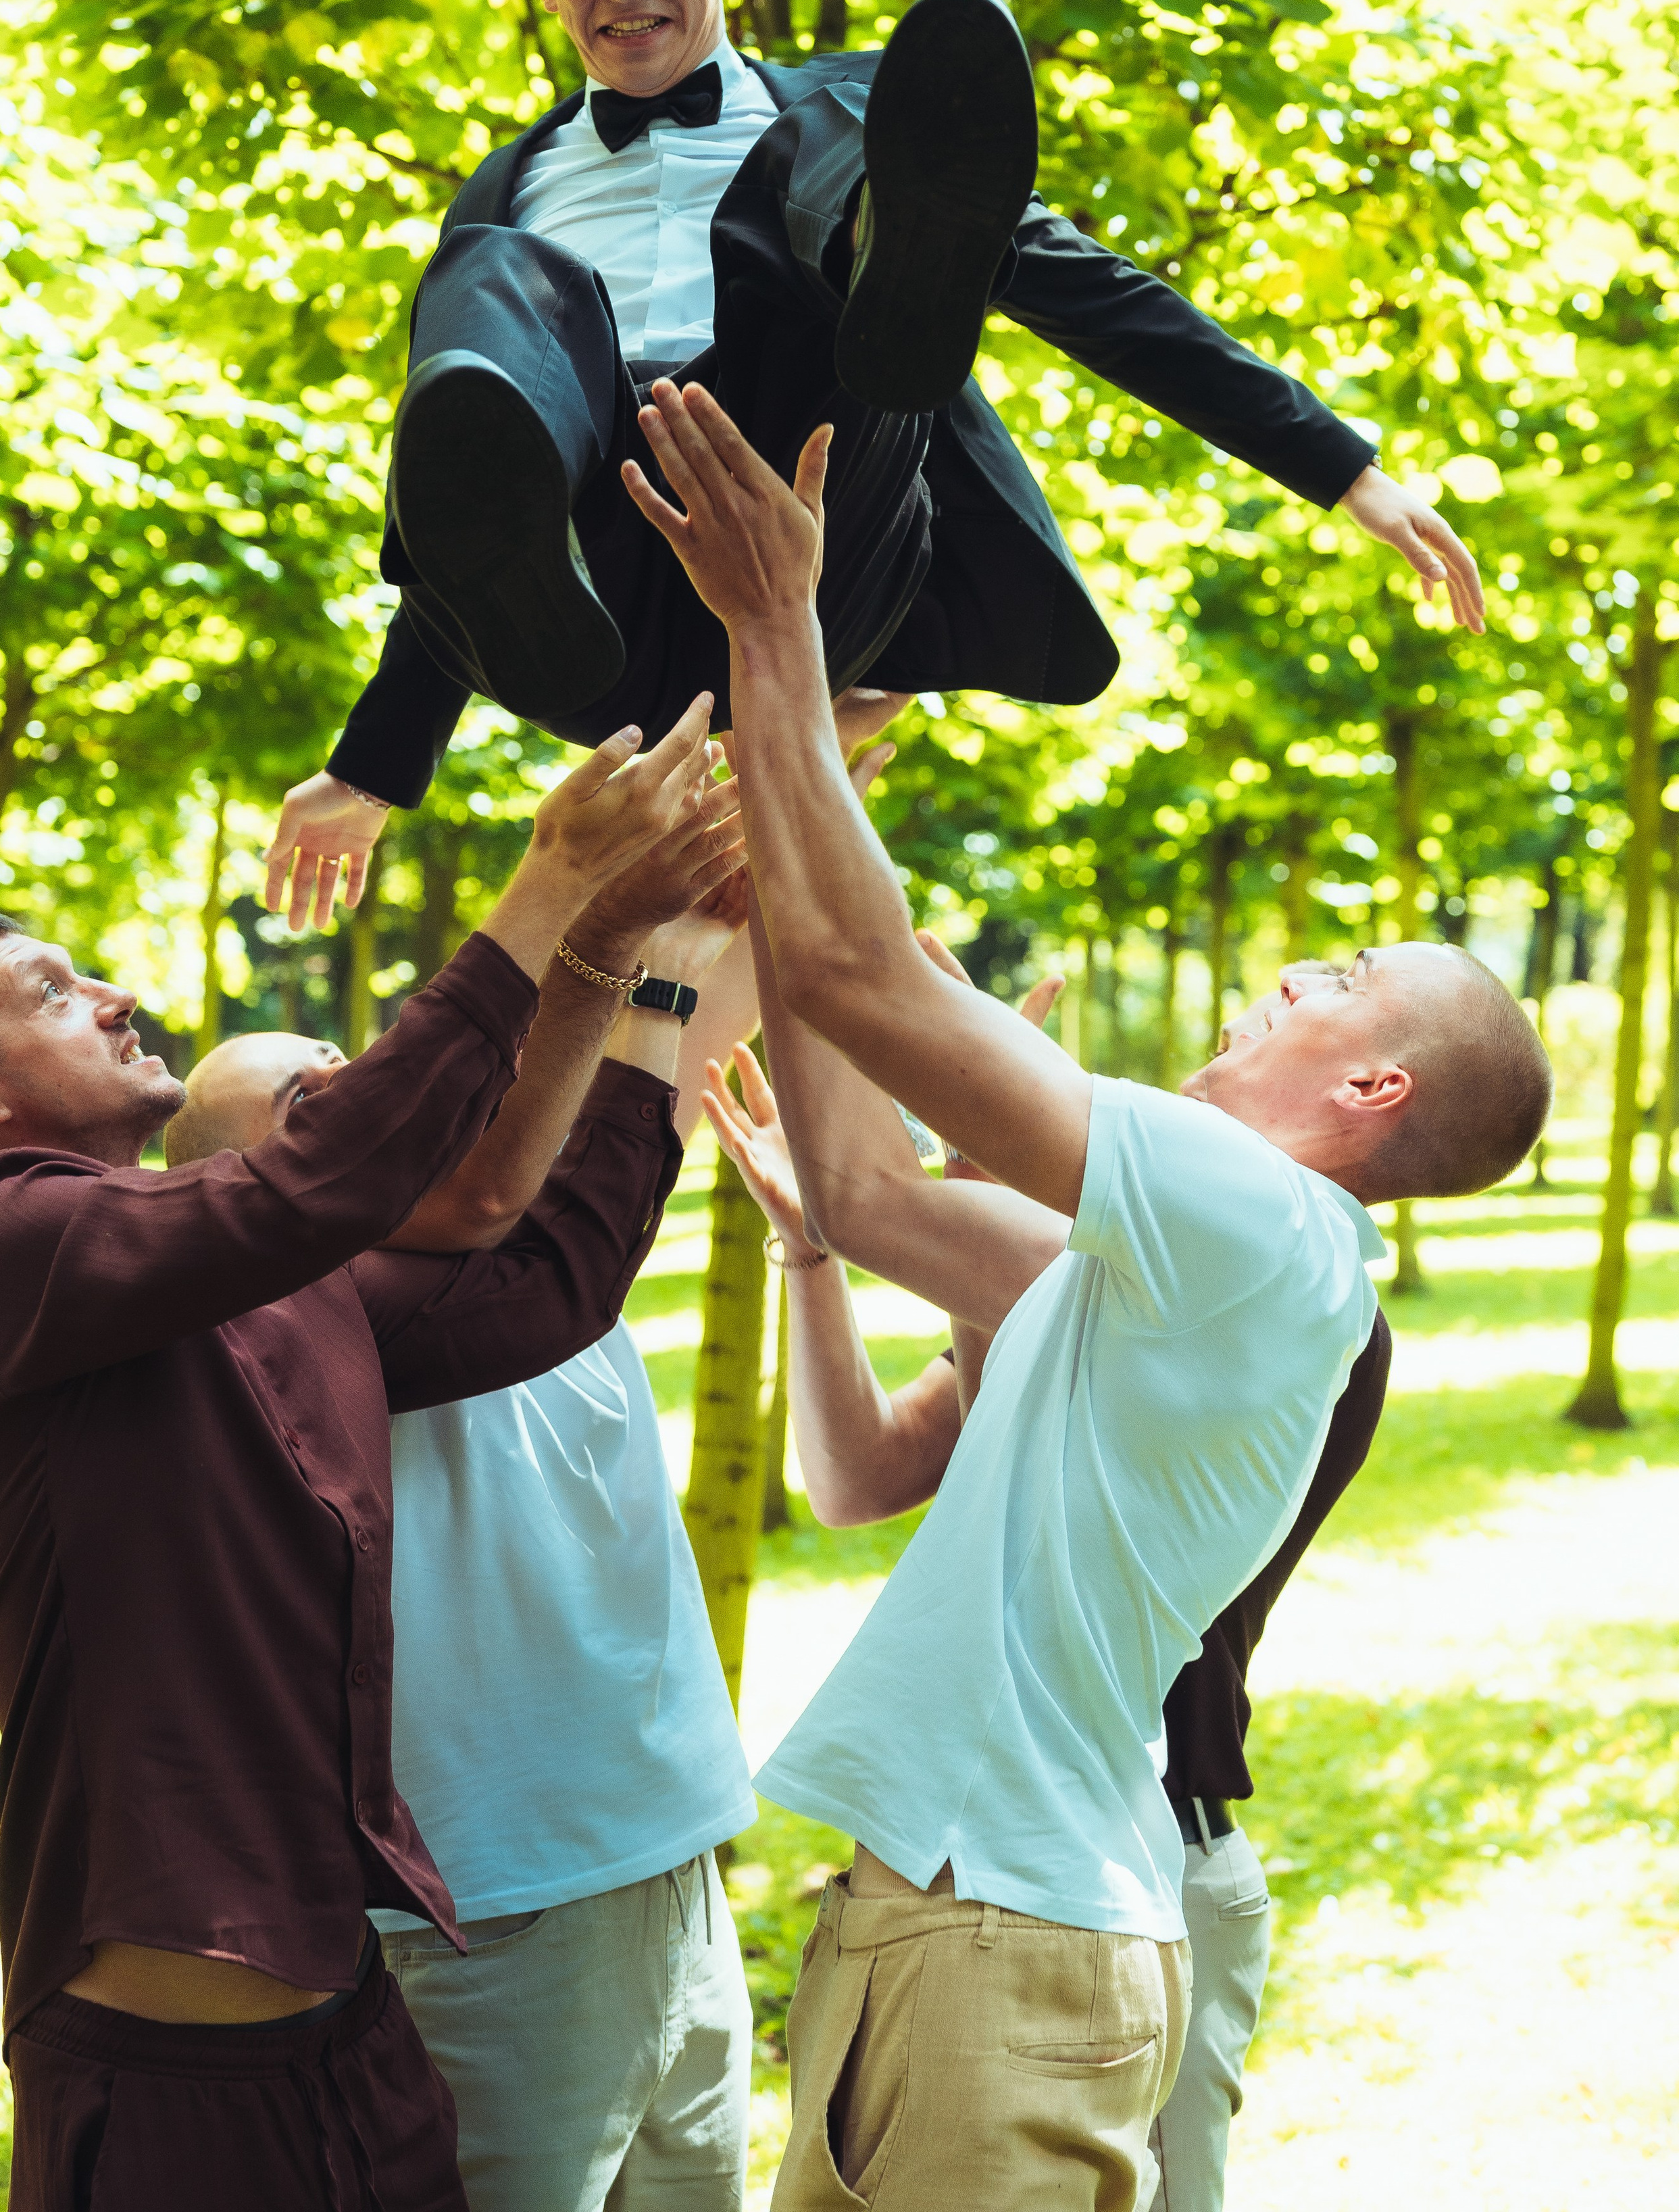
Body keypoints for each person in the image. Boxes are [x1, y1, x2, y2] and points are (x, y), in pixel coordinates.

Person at [617, 381, 1551, 2210]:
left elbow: (876, 984)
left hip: (1006, 1939)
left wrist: (781, 645)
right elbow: (878, 1179)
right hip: (962, 1914)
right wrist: (783, 858)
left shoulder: (1262, 1219)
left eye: (1338, 976)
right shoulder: (1198, 1268)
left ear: (1378, 1093)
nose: (1285, 972)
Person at [264, 0, 1484, 934]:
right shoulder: (509, 189)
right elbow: (474, 491)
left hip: (816, 517)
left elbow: (1106, 299)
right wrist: (375, 764)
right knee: (485, 285)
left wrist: (1346, 471)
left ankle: (896, 280)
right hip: (601, 616)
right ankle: (567, 585)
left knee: (839, 172)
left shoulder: (844, 127)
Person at [0, 699, 714, 2212]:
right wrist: (548, 878)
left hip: (355, 2030)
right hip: (168, 2077)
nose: (111, 992)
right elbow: (325, 1178)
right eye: (51, 990)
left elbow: (521, 1240)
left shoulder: (244, 1269)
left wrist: (625, 949)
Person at [700, 908, 1396, 2212]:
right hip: (1028, 1870)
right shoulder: (1138, 1288)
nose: (1284, 978)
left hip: (1114, 1865)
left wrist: (933, 1126)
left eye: (1342, 982)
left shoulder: (1270, 1270)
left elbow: (883, 1190)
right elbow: (861, 1469)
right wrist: (824, 1244)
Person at [166, 775, 786, 2212]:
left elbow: (716, 969)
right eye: (310, 1097)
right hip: (490, 1923)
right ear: (247, 1188)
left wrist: (805, 701)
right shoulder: (279, 1320)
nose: (375, 1082)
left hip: (676, 1870)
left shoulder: (534, 1236)